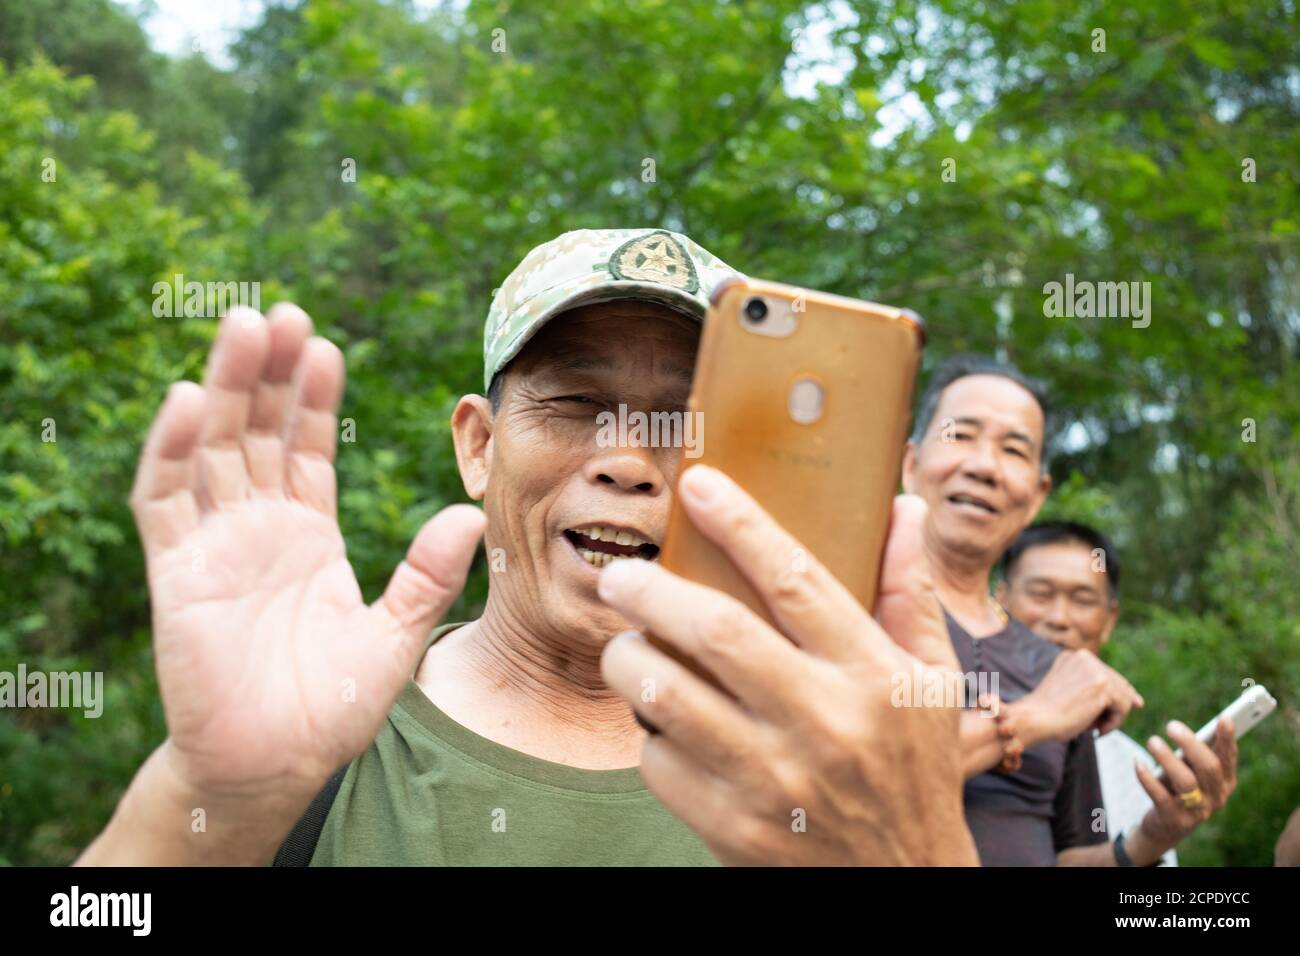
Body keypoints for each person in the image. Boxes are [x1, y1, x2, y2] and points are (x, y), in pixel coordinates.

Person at [76, 228, 976, 867]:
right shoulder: (328, 735)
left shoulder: (825, 774)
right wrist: (210, 800)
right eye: (577, 405)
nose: (626, 459)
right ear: (478, 445)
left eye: (683, 421)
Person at [900, 354, 1146, 866]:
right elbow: (836, 776)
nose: (985, 466)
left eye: (1013, 449)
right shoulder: (846, 601)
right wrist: (1034, 718)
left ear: (1036, 495)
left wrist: (1155, 834)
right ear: (911, 463)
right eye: (961, 435)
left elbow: (1070, 855)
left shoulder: (1057, 666)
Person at [997, 521, 1240, 866]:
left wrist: (1151, 839)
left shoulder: (1131, 768)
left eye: (1082, 599)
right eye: (1040, 594)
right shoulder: (959, 714)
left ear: (1110, 620)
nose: (1059, 618)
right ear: (999, 600)